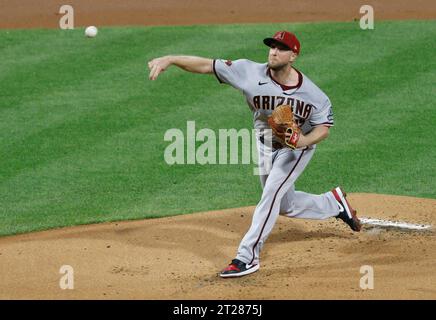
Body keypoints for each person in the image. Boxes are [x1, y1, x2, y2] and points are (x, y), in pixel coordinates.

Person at [148, 30, 361, 278]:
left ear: (293, 55)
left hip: (295, 151)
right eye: (272, 46)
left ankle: (246, 256)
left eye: (281, 48)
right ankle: (333, 202)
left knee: (270, 195)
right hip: (264, 145)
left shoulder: (313, 94)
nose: (273, 51)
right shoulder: (248, 71)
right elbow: (208, 65)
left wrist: (303, 140)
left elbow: (324, 128)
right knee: (284, 205)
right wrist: (171, 59)